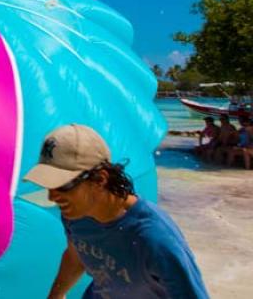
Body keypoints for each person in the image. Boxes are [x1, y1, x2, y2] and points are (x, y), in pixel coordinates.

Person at [24, 124, 208, 299]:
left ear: (100, 179)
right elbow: (76, 254)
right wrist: (56, 295)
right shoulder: (75, 214)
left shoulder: (156, 239)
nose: (52, 197)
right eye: (49, 185)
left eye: (63, 186)